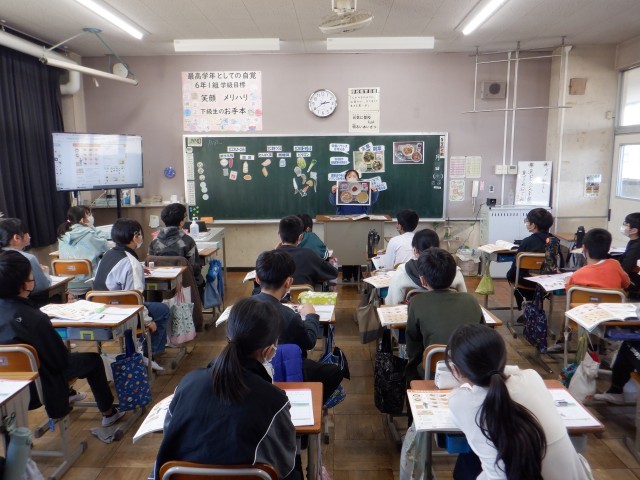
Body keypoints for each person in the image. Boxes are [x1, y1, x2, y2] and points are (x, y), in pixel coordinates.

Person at [151, 297, 299, 480]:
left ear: (228, 337)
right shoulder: (274, 400)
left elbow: (169, 439)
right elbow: (286, 466)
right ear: (268, 351)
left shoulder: (188, 384)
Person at [445, 323, 590, 479]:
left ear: (456, 370)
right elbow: (512, 373)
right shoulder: (532, 377)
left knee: (467, 463)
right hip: (571, 475)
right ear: (504, 357)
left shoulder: (462, 403)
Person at [0, 250, 125, 427]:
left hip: (8, 386)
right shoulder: (35, 319)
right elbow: (60, 361)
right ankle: (108, 412)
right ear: (25, 285)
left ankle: (69, 394)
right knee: (93, 360)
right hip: (38, 386)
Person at [253, 249, 343, 403]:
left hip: (251, 370)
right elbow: (309, 342)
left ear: (256, 279)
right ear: (289, 282)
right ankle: (313, 405)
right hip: (288, 365)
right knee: (335, 372)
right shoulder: (289, 316)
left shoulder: (241, 309)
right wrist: (311, 315)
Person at [93, 218, 170, 371]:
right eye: (140, 234)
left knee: (152, 308)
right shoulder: (131, 263)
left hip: (100, 309)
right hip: (122, 313)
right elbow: (135, 299)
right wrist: (148, 321)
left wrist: (138, 268)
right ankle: (148, 355)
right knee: (162, 310)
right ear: (135, 236)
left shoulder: (107, 254)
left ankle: (142, 349)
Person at [405, 248, 483, 380]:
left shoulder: (416, 302)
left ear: (423, 280)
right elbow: (483, 337)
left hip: (432, 373)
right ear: (454, 276)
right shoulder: (471, 300)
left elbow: (413, 347)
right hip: (470, 372)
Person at [386, 229, 466, 305]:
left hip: (413, 313)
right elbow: (463, 299)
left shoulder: (402, 271)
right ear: (438, 248)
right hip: (448, 313)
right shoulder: (454, 271)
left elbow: (392, 303)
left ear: (415, 250)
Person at [328, 169, 380, 282]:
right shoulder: (341, 189)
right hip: (344, 223)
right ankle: (346, 275)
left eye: (354, 176)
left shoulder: (363, 189)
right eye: (349, 176)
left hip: (360, 223)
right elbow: (333, 202)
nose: (352, 177)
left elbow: (372, 200)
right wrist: (333, 192)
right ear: (345, 179)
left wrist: (374, 191)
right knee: (345, 248)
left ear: (358, 179)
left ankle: (357, 274)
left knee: (358, 248)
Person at [149, 203, 204, 299]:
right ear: (181, 222)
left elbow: (151, 265)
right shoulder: (188, 241)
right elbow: (195, 268)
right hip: (185, 287)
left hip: (160, 288)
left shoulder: (154, 242)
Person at [506, 208, 555, 312]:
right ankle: (536, 304)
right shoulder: (555, 242)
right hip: (548, 281)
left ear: (533, 226)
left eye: (527, 221)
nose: (526, 223)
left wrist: (509, 275)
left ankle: (526, 305)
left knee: (512, 275)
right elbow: (560, 264)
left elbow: (515, 267)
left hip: (527, 282)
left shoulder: (527, 242)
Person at [57, 206, 110, 294]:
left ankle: (72, 296)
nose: (89, 218)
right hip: (87, 280)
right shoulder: (88, 234)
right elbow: (106, 247)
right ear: (82, 220)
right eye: (87, 215)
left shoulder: (63, 235)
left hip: (67, 281)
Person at [276, 215, 338, 286]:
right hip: (304, 293)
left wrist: (274, 251)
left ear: (279, 234)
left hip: (280, 293)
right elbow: (333, 273)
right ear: (300, 237)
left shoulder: (270, 258)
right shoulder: (309, 254)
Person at [0, 218, 51, 304]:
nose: (29, 236)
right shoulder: (28, 258)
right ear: (17, 238)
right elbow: (43, 286)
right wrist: (46, 272)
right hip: (27, 304)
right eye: (27, 233)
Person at [619, 212, 640, 300]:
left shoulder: (636, 247)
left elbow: (625, 269)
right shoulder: (634, 242)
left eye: (626, 224)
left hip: (634, 284)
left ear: (634, 230)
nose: (623, 226)